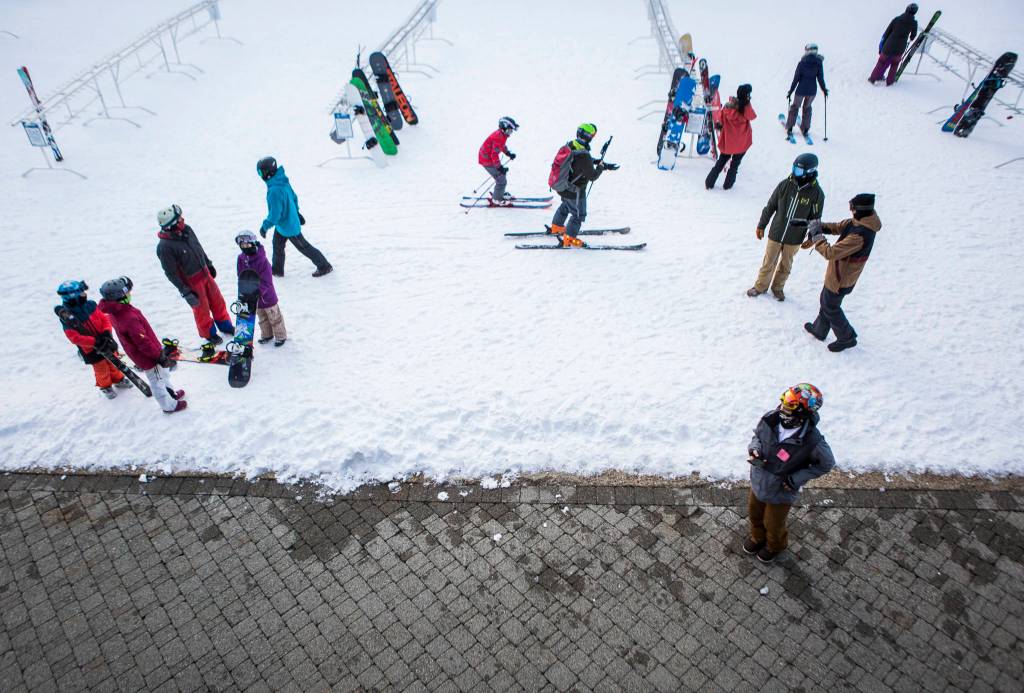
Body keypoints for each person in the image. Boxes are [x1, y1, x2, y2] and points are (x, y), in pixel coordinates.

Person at [745, 383, 835, 563]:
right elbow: (757, 436)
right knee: (754, 513)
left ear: (803, 411)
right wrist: (754, 448)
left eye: (791, 405)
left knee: (773, 523)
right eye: (784, 401)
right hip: (759, 481)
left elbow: (827, 464)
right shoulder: (770, 419)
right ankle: (758, 538)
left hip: (781, 490)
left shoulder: (812, 440)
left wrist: (796, 479)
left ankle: (774, 546)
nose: (783, 407)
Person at [802, 193, 882, 352]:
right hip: (837, 273)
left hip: (842, 277)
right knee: (826, 300)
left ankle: (847, 337)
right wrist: (814, 224)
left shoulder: (860, 235)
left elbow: (830, 253)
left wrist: (817, 236)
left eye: (852, 208)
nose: (850, 211)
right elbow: (838, 227)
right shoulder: (858, 222)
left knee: (831, 306)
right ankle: (819, 330)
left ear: (859, 210)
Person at [98, 277, 187, 414]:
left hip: (149, 351)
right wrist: (159, 357)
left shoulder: (118, 311)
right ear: (119, 297)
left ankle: (171, 394)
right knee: (157, 382)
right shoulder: (127, 317)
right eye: (127, 293)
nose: (129, 294)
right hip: (149, 357)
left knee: (163, 375)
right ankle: (169, 406)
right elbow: (142, 342)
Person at [747, 153, 825, 301]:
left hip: (795, 237)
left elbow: (815, 219)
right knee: (768, 261)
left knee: (786, 264)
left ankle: (778, 288)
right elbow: (770, 206)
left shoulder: (816, 194)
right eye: (794, 169)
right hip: (776, 232)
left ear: (809, 172)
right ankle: (760, 286)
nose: (795, 173)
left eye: (799, 171)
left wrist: (812, 238)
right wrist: (761, 225)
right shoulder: (785, 185)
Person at [156, 204, 234, 345]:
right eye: (179, 219)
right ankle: (209, 333)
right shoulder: (165, 247)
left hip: (205, 273)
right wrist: (185, 291)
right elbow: (171, 273)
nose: (182, 220)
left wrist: (208, 264)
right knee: (201, 310)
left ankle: (225, 325)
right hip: (192, 282)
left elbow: (198, 247)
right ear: (172, 224)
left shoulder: (187, 230)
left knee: (218, 301)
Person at [54, 280, 133, 399]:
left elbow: (104, 319)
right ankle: (105, 386)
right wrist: (94, 342)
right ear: (73, 297)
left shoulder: (91, 305)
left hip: (105, 341)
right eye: (82, 293)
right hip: (90, 349)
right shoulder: (68, 317)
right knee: (102, 369)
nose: (85, 294)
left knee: (114, 362)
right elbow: (74, 337)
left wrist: (106, 333)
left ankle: (118, 379)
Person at [257, 157, 333, 278]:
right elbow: (294, 197)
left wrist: (264, 227)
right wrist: (297, 213)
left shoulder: (274, 191)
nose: (260, 176)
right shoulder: (281, 181)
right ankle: (277, 270)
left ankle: (324, 266)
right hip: (284, 224)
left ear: (268, 173)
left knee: (304, 247)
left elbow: (275, 215)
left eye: (260, 172)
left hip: (289, 226)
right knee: (277, 246)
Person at [549, 123, 619, 248]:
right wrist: (601, 168)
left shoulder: (571, 145)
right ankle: (569, 238)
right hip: (575, 191)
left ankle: (557, 227)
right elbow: (592, 176)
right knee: (578, 215)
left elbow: (580, 161)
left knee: (566, 206)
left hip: (563, 186)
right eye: (592, 135)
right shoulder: (584, 155)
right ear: (588, 136)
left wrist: (601, 163)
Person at [235, 231, 287, 347]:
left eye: (247, 245)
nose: (245, 248)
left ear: (253, 243)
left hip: (267, 297)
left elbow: (267, 281)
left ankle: (281, 336)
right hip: (252, 298)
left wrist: (258, 292)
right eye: (242, 246)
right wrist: (244, 293)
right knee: (262, 318)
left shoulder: (262, 261)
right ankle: (267, 335)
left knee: (274, 318)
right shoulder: (241, 259)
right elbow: (240, 276)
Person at [705, 84, 756, 190]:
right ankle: (728, 185)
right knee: (735, 165)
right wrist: (747, 103)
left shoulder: (728, 107)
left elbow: (721, 121)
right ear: (746, 96)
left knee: (721, 162)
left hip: (729, 142)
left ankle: (709, 182)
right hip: (742, 143)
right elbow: (753, 116)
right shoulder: (746, 108)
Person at [785, 43, 828, 139]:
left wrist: (791, 91)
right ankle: (805, 128)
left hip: (801, 90)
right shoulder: (819, 63)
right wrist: (824, 90)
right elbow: (820, 79)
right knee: (807, 108)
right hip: (812, 91)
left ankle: (790, 127)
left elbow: (796, 78)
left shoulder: (802, 63)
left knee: (795, 107)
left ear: (807, 51)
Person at [871, 4, 919, 86]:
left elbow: (886, 33)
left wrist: (881, 46)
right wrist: (910, 37)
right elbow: (913, 36)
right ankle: (889, 82)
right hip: (900, 48)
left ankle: (873, 78)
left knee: (881, 62)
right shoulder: (914, 23)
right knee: (894, 64)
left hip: (888, 45)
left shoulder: (897, 19)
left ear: (907, 9)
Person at [478, 116, 519, 205]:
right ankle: (497, 199)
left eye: (511, 131)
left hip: (487, 158)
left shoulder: (502, 135)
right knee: (501, 179)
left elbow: (501, 146)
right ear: (503, 128)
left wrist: (508, 153)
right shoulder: (498, 137)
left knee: (501, 177)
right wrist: (499, 167)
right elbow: (494, 154)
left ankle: (498, 193)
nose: (510, 133)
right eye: (509, 130)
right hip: (486, 159)